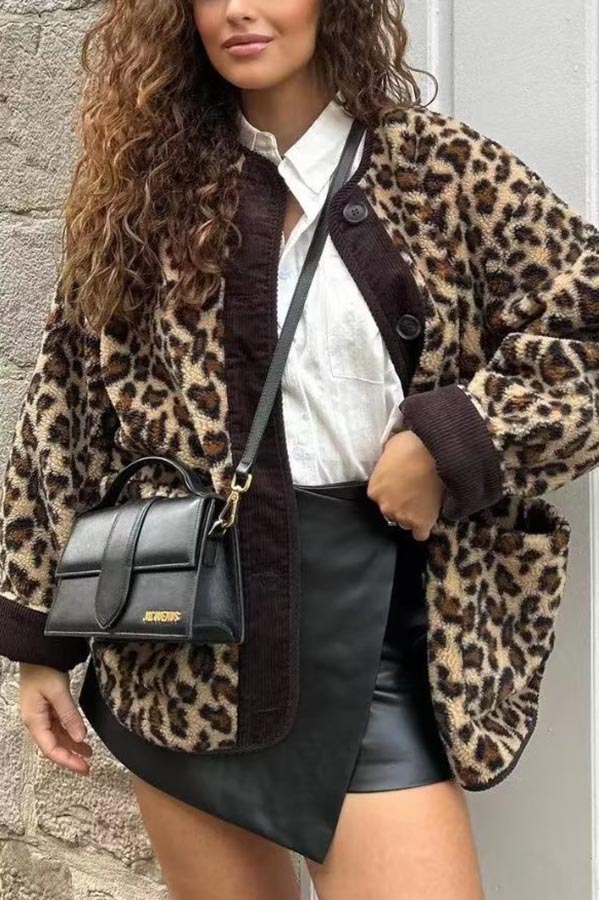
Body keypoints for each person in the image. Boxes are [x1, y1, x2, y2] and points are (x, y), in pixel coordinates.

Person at [2, 1, 598, 899]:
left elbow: (587, 329)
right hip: (186, 657)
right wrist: (39, 642)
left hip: (376, 643)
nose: (238, 9)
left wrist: (453, 441)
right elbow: (65, 413)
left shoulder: (436, 171)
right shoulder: (150, 195)